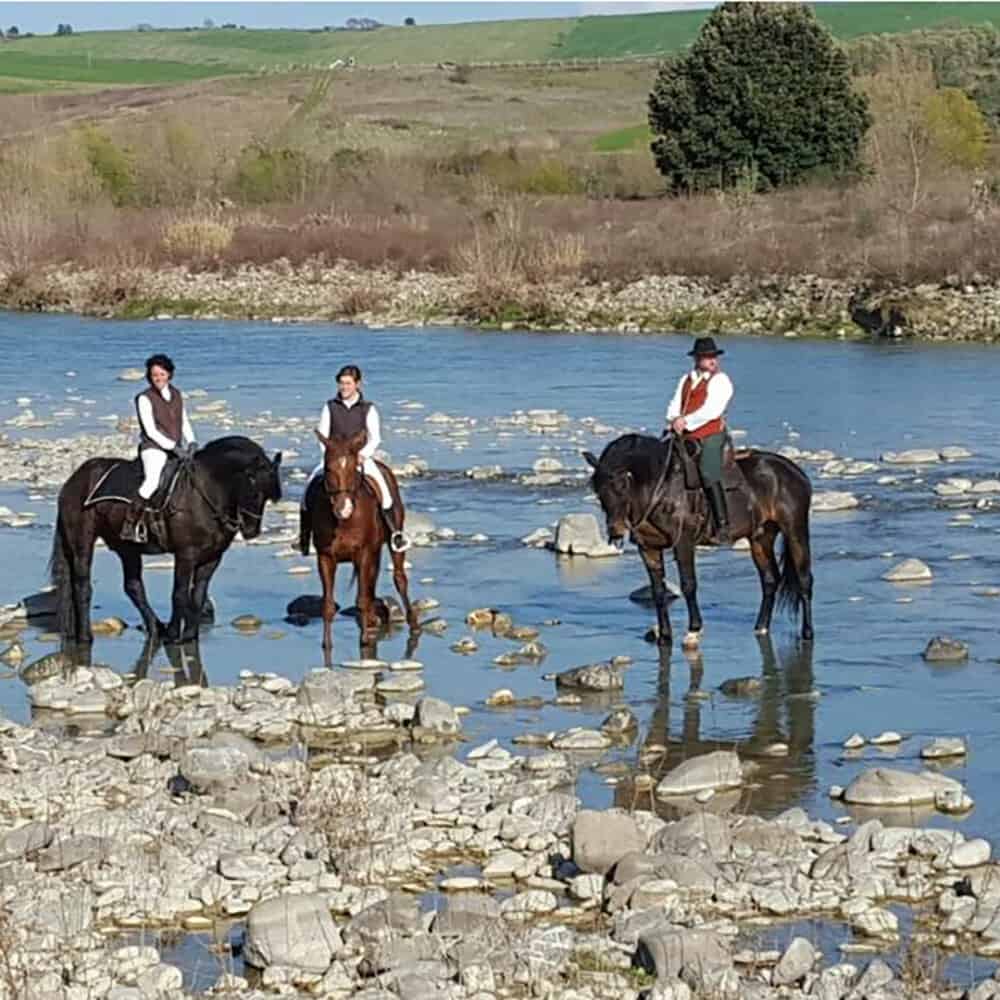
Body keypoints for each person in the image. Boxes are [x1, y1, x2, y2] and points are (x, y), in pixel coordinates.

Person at [301, 365, 409, 553]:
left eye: (348, 383)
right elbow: (323, 436)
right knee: (306, 493)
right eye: (341, 383)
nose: (344, 387)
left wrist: (363, 455)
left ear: (357, 384)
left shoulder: (368, 408)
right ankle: (303, 537)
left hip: (360, 458)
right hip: (334, 459)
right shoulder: (330, 407)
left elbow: (375, 437)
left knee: (385, 493)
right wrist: (330, 457)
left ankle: (395, 534)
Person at [665, 336, 734, 543]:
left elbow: (712, 410)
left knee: (707, 471)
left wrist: (685, 421)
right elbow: (675, 402)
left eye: (713, 356)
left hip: (710, 433)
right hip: (684, 431)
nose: (712, 360)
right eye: (707, 357)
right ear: (697, 359)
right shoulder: (686, 379)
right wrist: (672, 419)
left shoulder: (721, 381)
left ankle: (723, 525)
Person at [121, 353, 197, 543]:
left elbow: (184, 421)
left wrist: (192, 442)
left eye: (162, 374)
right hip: (154, 448)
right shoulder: (144, 398)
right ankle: (130, 524)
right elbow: (151, 430)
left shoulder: (177, 394)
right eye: (154, 375)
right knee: (152, 481)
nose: (158, 378)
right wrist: (173, 448)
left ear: (169, 374)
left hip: (177, 446)